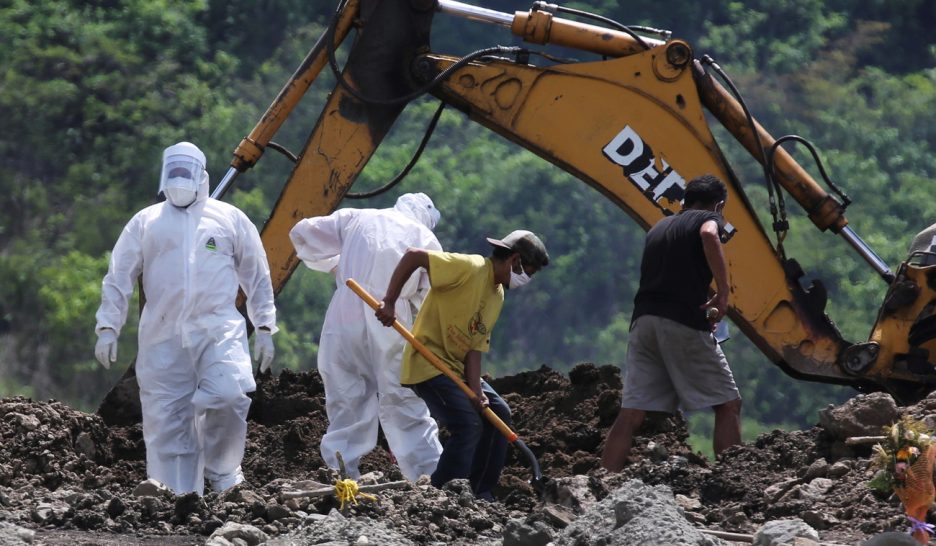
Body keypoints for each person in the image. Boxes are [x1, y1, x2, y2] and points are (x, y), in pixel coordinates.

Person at [93, 141, 277, 496]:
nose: (178, 180)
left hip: (218, 328)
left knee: (229, 394)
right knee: (166, 415)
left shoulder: (229, 219)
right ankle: (173, 495)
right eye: (173, 172)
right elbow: (119, 275)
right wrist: (107, 325)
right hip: (162, 334)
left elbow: (257, 273)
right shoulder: (146, 222)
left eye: (185, 173)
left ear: (201, 176)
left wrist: (265, 324)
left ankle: (223, 472)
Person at [375, 229, 549, 501]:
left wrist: (477, 391)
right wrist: (389, 301)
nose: (528, 279)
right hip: (428, 364)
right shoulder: (469, 268)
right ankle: (442, 495)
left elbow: (475, 346)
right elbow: (413, 257)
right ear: (514, 259)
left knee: (499, 413)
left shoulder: (497, 294)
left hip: (455, 368)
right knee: (468, 425)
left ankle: (480, 492)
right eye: (529, 271)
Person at [288, 193, 444, 481]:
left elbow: (302, 234)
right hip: (392, 316)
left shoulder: (357, 217)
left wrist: (336, 264)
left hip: (346, 310)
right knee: (403, 397)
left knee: (346, 394)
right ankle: (429, 477)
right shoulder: (424, 237)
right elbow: (431, 295)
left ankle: (340, 473)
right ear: (426, 218)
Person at [601, 174, 742, 471]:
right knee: (728, 404)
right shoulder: (708, 219)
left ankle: (603, 480)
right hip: (681, 321)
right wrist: (724, 292)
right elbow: (708, 234)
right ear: (719, 205)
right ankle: (733, 481)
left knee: (632, 412)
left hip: (643, 323)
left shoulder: (659, 227)